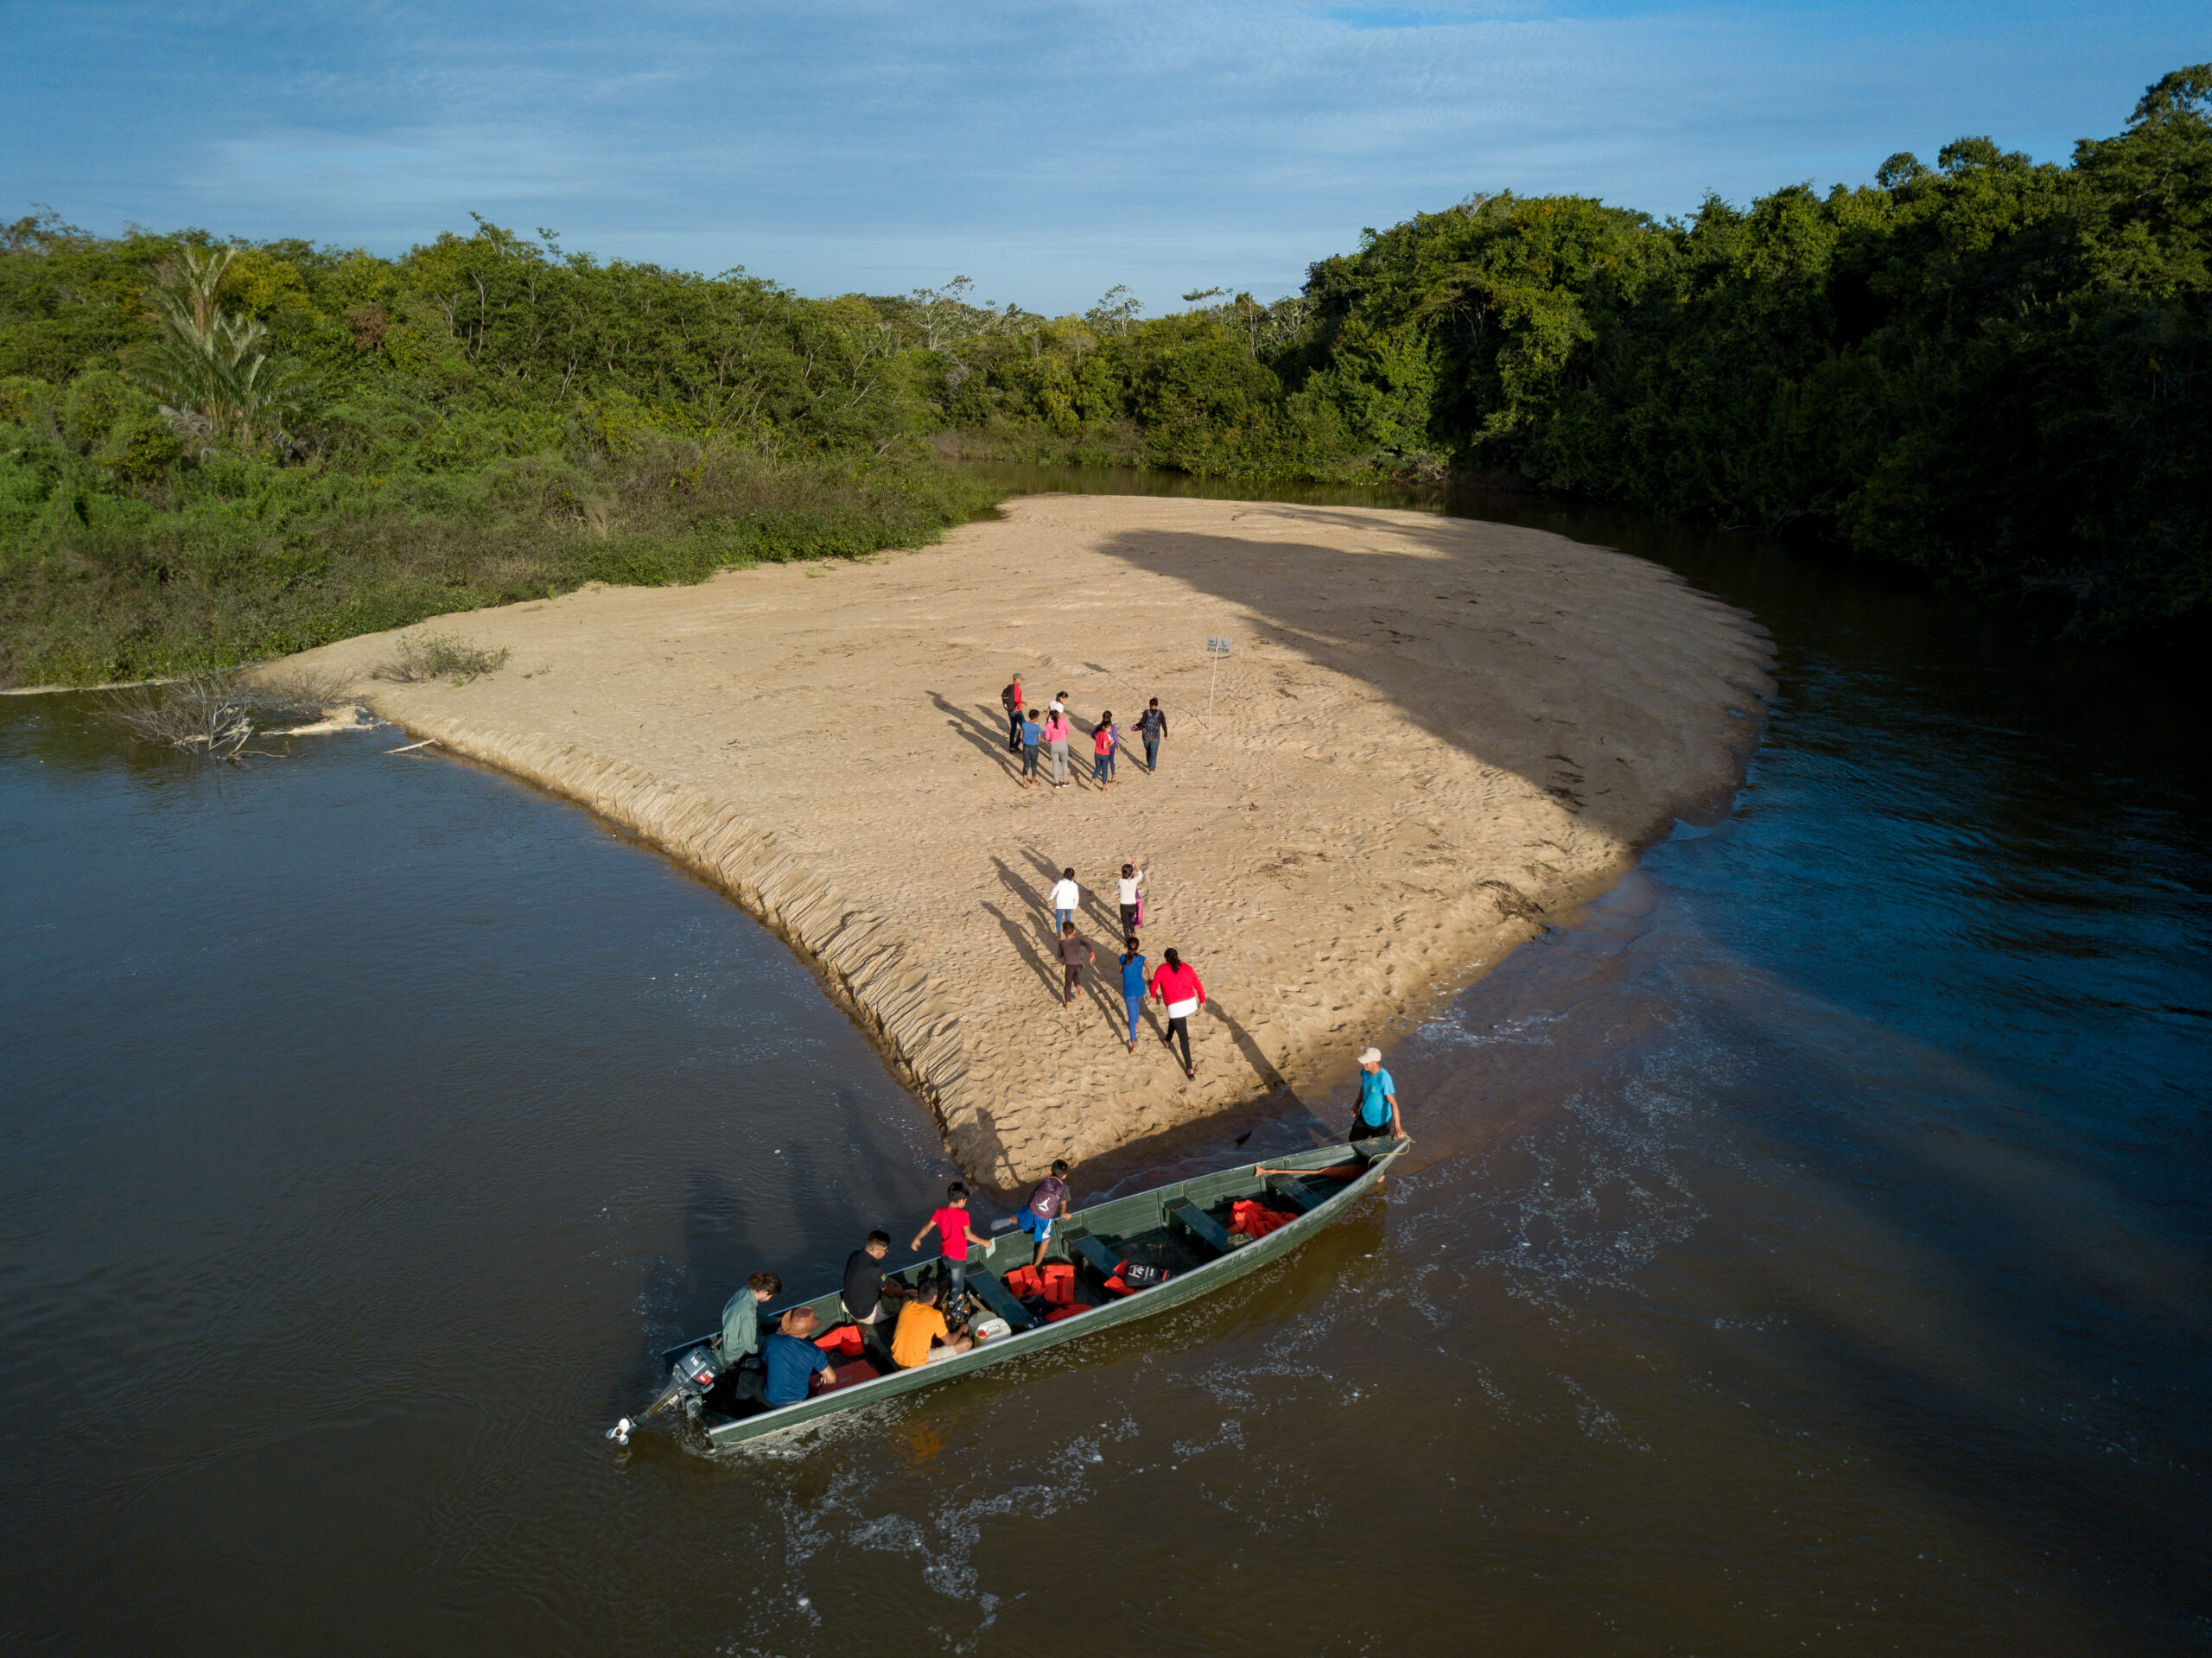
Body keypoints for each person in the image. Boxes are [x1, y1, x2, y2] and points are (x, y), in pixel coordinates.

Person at [909, 1181, 991, 1304]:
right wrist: (985, 1242)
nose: (965, 1203)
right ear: (961, 1200)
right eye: (965, 1200)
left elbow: (927, 1227)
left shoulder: (939, 1212)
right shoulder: (963, 1214)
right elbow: (968, 1235)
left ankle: (946, 1293)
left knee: (950, 1274)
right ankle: (952, 1305)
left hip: (945, 1254)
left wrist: (917, 1239)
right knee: (957, 1286)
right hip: (957, 1257)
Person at [761, 1305, 836, 1407]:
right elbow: (832, 1379)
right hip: (799, 1399)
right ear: (809, 1330)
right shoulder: (815, 1351)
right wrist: (823, 1377)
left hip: (772, 1400)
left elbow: (766, 1362)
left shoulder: (772, 1340)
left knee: (746, 1377)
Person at [1149, 947, 1205, 1078]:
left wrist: (1154, 996)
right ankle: (1167, 1041)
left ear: (1165, 958)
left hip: (1176, 1007)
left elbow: (1153, 986)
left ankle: (1190, 1069)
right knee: (1175, 1020)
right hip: (1190, 1003)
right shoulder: (1187, 967)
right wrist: (1202, 1001)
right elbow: (1198, 985)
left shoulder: (1162, 969)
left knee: (1184, 1039)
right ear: (1178, 956)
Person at [891, 1280, 973, 1369]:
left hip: (898, 1358)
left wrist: (947, 1320)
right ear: (935, 1296)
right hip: (915, 1365)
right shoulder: (936, 1315)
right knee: (967, 1342)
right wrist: (962, 1329)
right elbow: (950, 1342)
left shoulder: (907, 1305)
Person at [842, 1229, 908, 1327]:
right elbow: (891, 1292)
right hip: (865, 1315)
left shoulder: (854, 1255)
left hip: (848, 1306)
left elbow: (875, 1277)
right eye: (885, 1250)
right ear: (876, 1250)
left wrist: (889, 1280)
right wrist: (907, 1293)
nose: (887, 1252)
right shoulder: (876, 1270)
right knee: (907, 1303)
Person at [716, 1270, 780, 1367]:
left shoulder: (746, 1291)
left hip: (728, 1341)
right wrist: (776, 1336)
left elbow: (756, 1315)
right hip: (735, 1355)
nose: (770, 1299)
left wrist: (774, 1320)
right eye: (771, 1296)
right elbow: (752, 1347)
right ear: (765, 1293)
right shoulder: (748, 1314)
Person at [1019, 1159, 1072, 1268]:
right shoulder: (1064, 1188)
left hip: (1031, 1209)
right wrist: (1065, 1214)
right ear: (1065, 1176)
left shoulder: (1044, 1181)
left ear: (1050, 1171)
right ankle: (1037, 1265)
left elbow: (1033, 1195)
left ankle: (1028, 1225)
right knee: (1046, 1240)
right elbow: (1063, 1207)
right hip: (1044, 1217)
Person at [1351, 1045, 1403, 1142]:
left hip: (1381, 1124)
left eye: (1366, 1062)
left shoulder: (1384, 1078)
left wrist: (1398, 1127)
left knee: (1378, 1151)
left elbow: (1393, 1104)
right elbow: (1364, 1087)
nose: (1363, 1064)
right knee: (1353, 1141)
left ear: (1375, 1062)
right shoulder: (1365, 1071)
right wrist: (1356, 1105)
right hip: (1365, 1117)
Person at [1119, 936, 1148, 1052]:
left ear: (1126, 946)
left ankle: (1133, 1044)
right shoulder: (1142, 958)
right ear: (1138, 947)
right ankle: (1136, 1023)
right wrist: (1150, 979)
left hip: (1129, 990)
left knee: (1131, 1014)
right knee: (1137, 1004)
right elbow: (1150, 970)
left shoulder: (1122, 958)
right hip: (1140, 988)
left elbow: (1120, 970)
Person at [1056, 921, 1095, 1009]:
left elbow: (1059, 955)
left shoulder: (1062, 943)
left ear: (1063, 932)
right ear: (1074, 931)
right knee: (1075, 975)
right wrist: (1092, 955)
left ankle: (1068, 1004)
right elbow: (1087, 944)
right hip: (1078, 965)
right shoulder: (1077, 940)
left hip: (1068, 966)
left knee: (1067, 985)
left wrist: (1062, 949)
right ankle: (1079, 988)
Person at [1043, 707, 1072, 788]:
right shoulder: (1063, 721)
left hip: (1053, 745)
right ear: (1058, 715)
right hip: (1063, 744)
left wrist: (1048, 742)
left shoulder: (1048, 724)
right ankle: (1065, 781)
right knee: (1064, 763)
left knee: (1055, 764)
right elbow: (1067, 731)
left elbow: (1047, 737)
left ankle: (1056, 783)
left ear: (1051, 716)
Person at [1136, 699, 1166, 772]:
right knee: (1154, 752)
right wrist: (1166, 733)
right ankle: (1151, 769)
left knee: (1148, 750)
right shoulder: (1160, 713)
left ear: (1149, 704)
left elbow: (1141, 722)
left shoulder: (1146, 712)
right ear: (1157, 705)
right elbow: (1164, 724)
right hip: (1156, 736)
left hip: (1146, 735)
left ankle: (1149, 764)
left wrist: (1136, 725)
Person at [1116, 861, 1144, 938]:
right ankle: (1133, 932)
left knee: (1125, 924)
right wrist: (1136, 865)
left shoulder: (1120, 881)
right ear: (1132, 873)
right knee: (1131, 919)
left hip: (1124, 905)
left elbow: (1116, 886)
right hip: (1133, 905)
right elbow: (1140, 875)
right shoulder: (1135, 880)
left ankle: (1128, 940)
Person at [1018, 708, 1044, 787]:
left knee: (1026, 764)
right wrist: (1037, 744)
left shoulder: (1024, 725)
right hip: (1034, 747)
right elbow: (1039, 739)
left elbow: (1021, 736)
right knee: (1034, 764)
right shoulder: (1037, 728)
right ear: (1036, 718)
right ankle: (1033, 780)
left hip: (1026, 746)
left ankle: (1025, 781)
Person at [1092, 711, 1118, 789]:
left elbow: (1092, 734)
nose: (1110, 729)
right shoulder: (1112, 727)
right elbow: (1115, 737)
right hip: (1107, 750)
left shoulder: (1098, 728)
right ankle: (1111, 777)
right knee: (1108, 764)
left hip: (1097, 752)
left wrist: (1097, 740)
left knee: (1098, 767)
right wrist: (1116, 745)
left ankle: (1095, 780)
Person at [1050, 867, 1080, 933]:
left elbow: (1054, 891)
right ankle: (1068, 932)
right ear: (1073, 877)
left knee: (1059, 920)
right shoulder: (1075, 885)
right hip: (1069, 905)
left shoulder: (1060, 883)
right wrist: (1074, 906)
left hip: (1060, 905)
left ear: (1064, 875)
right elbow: (1077, 897)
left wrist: (1051, 897)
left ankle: (1059, 934)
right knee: (1068, 917)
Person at [1001, 674, 1026, 753]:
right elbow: (1016, 699)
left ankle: (1011, 746)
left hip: (1010, 711)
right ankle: (1015, 746)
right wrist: (1023, 702)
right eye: (1021, 679)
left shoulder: (1009, 687)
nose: (1021, 681)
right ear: (1016, 679)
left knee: (1013, 729)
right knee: (1024, 727)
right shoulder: (1017, 688)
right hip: (1017, 711)